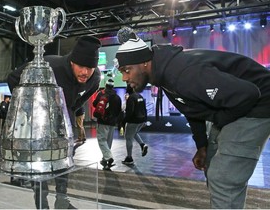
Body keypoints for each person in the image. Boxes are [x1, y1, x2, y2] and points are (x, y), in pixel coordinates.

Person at [115, 32, 270, 209]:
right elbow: (192, 108)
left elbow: (248, 94)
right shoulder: (164, 73)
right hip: (232, 104)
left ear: (144, 63)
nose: (125, 78)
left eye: (127, 71)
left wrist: (219, 119)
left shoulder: (182, 72)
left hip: (259, 103)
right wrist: (202, 146)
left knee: (223, 178)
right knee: (211, 166)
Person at [7, 35, 101, 209]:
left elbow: (84, 97)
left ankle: (62, 200)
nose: (85, 73)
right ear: (72, 61)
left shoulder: (95, 78)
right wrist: (30, 108)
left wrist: (69, 109)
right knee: (41, 165)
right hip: (40, 124)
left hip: (65, 124)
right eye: (81, 66)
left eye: (90, 68)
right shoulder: (49, 65)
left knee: (65, 161)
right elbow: (12, 78)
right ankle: (42, 203)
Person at [92, 78, 122, 170]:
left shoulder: (101, 94)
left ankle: (108, 157)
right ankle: (105, 160)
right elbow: (118, 111)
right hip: (112, 122)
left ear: (105, 85)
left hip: (102, 121)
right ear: (113, 86)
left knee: (101, 140)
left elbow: (94, 104)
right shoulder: (117, 97)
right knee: (108, 141)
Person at [122, 85, 148, 165]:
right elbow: (145, 109)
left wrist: (124, 121)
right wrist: (145, 120)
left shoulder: (131, 98)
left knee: (128, 138)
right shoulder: (140, 96)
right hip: (141, 120)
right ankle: (142, 145)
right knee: (134, 133)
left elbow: (130, 112)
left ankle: (129, 158)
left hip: (133, 121)